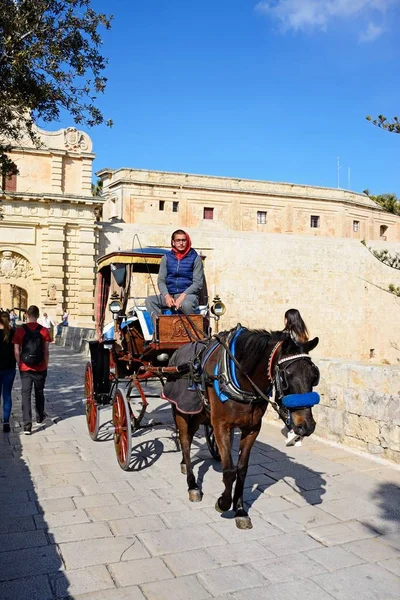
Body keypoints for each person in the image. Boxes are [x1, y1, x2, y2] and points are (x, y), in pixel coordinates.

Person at [145, 230, 204, 318]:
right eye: (178, 240)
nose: (181, 243)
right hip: (170, 295)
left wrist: (182, 296)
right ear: (173, 242)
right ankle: (160, 329)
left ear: (187, 241)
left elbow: (198, 283)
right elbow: (161, 280)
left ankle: (191, 331)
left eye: (183, 240)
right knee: (150, 301)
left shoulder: (196, 258)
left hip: (188, 295)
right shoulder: (166, 258)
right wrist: (166, 296)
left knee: (186, 304)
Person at [13, 305, 51, 435]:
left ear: (26, 315)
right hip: (40, 367)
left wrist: (19, 364)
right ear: (38, 316)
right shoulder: (44, 331)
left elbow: (16, 351)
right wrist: (46, 364)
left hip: (25, 368)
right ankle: (40, 416)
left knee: (25, 395)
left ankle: (27, 426)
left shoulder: (19, 331)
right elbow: (46, 351)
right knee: (39, 392)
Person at [282, 308, 310, 447]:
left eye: (285, 318)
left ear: (288, 319)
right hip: (303, 372)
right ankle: (296, 431)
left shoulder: (288, 335)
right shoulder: (303, 335)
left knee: (284, 400)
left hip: (289, 373)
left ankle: (292, 429)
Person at [0, 311, 16, 433]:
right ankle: (6, 422)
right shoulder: (13, 332)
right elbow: (17, 351)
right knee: (7, 395)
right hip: (9, 368)